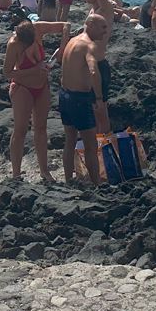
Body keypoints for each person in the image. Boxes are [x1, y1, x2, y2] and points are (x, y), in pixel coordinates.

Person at [58, 15, 108, 186]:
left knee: (70, 140)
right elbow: (94, 71)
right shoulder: (89, 45)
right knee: (90, 145)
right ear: (91, 25)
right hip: (79, 99)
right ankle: (96, 184)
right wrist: (99, 99)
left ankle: (68, 180)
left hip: (64, 95)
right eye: (102, 27)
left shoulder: (73, 41)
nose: (105, 31)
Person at [3, 20, 53, 183]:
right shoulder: (14, 44)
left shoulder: (37, 32)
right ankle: (16, 174)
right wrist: (33, 70)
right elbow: (7, 73)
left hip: (42, 86)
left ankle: (44, 171)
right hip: (23, 88)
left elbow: (64, 25)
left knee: (41, 127)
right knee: (20, 130)